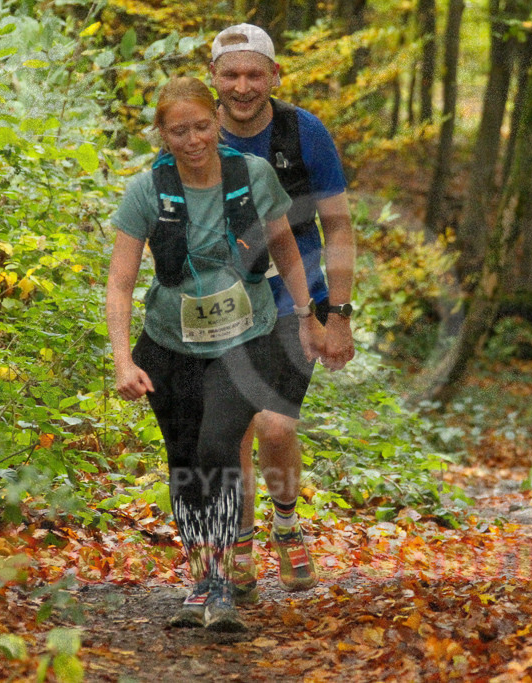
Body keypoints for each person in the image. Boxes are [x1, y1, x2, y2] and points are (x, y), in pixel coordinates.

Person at [105, 76, 324, 632]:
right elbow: (120, 283)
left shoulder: (253, 175)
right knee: (184, 461)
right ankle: (201, 581)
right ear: (162, 134)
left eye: (202, 126)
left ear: (218, 121)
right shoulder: (146, 190)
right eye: (179, 131)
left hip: (245, 341)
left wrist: (306, 315)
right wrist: (123, 361)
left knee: (218, 446)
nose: (194, 140)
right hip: (169, 343)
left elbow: (284, 246)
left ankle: (223, 587)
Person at [208, 24, 357, 600]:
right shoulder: (195, 132)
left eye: (254, 74)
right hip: (221, 301)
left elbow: (338, 225)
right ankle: (241, 543)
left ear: (274, 76)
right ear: (214, 78)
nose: (242, 87)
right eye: (231, 75)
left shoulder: (304, 132)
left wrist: (339, 314)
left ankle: (288, 524)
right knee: (235, 430)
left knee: (276, 425)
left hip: (297, 299)